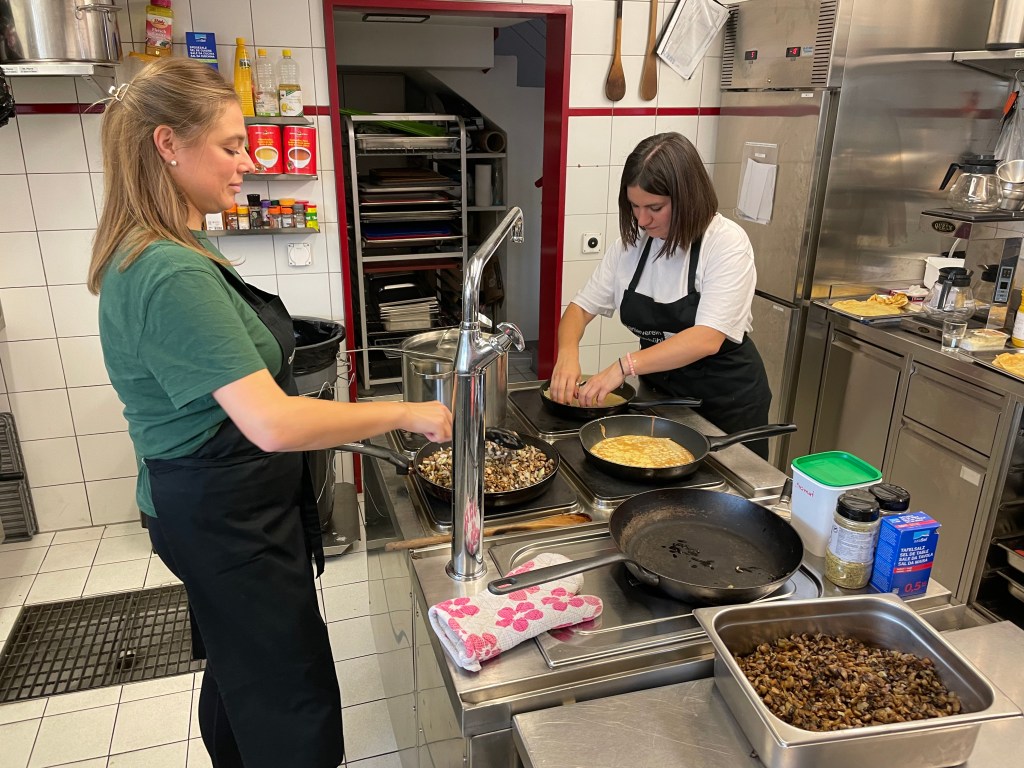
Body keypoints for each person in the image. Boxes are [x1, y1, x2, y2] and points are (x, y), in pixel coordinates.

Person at [87, 58, 452, 768]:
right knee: (287, 693)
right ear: (168, 144)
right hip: (223, 517)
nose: (247, 163)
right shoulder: (169, 269)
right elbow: (273, 423)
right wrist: (404, 412)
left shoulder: (171, 247)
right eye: (231, 146)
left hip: (215, 504)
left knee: (241, 667)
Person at [550, 132, 772, 458]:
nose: (642, 220)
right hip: (660, 398)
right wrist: (568, 352)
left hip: (726, 404)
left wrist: (623, 367)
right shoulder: (631, 246)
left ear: (687, 198)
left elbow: (706, 338)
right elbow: (581, 308)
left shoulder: (725, 243)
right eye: (634, 206)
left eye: (655, 207)